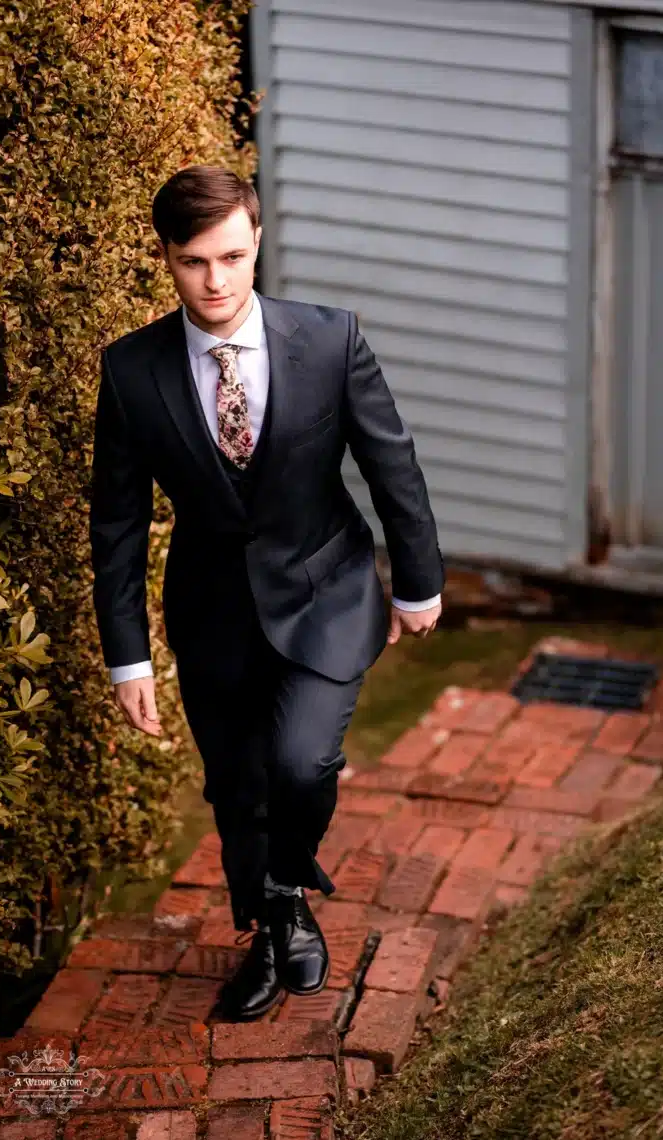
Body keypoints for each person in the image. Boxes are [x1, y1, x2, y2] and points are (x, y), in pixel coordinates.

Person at [89, 165, 444, 1022]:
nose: (215, 282)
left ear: (256, 245)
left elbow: (390, 462)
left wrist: (417, 582)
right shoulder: (132, 372)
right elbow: (118, 523)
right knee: (235, 787)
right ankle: (274, 922)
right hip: (212, 610)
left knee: (301, 761)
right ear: (167, 259)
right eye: (192, 262)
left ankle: (282, 887)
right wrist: (128, 656)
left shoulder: (329, 341)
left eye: (231, 258)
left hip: (327, 589)